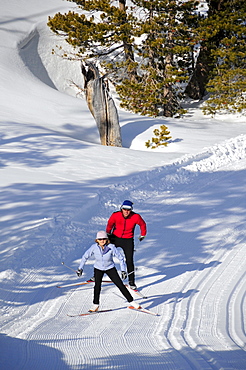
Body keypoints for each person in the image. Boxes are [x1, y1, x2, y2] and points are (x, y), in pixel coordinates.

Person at [76, 230, 140, 312]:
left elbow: (120, 258)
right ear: (97, 240)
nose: (102, 241)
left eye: (104, 239)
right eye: (100, 239)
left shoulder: (111, 247)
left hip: (110, 268)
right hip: (98, 269)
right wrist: (80, 268)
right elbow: (85, 257)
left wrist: (123, 270)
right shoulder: (94, 247)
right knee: (97, 286)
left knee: (120, 284)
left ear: (107, 239)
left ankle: (132, 301)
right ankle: (95, 305)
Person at [106, 200, 147, 289]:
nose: (126, 211)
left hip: (128, 240)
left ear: (131, 210)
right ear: (121, 209)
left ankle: (131, 282)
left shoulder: (135, 216)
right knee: (105, 255)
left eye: (129, 210)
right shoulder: (115, 215)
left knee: (129, 260)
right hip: (115, 238)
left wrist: (143, 234)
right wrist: (108, 233)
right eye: (124, 209)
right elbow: (110, 224)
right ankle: (96, 276)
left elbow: (142, 224)